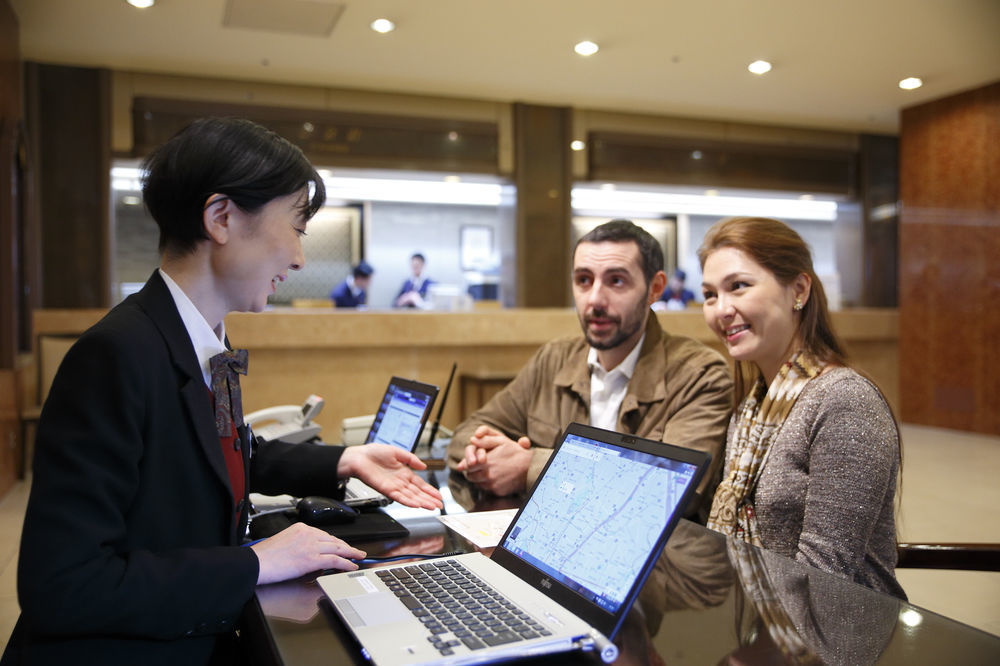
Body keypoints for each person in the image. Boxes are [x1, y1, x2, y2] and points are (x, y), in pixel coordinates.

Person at [4, 118, 441, 665]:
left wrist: (346, 460)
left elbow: (229, 451)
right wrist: (257, 563)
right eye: (297, 227)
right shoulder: (114, 355)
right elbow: (63, 585)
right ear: (222, 218)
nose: (300, 257)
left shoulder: (210, 342)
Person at [447, 219, 733, 516]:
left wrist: (528, 466)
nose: (595, 299)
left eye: (616, 281)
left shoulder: (699, 374)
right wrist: (485, 457)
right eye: (584, 280)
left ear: (655, 288)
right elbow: (465, 436)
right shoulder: (554, 358)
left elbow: (667, 494)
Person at [698, 216, 903, 597]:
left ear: (799, 289)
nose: (721, 310)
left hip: (838, 636)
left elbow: (826, 575)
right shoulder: (752, 407)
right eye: (710, 294)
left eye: (738, 287)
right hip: (758, 626)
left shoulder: (843, 401)